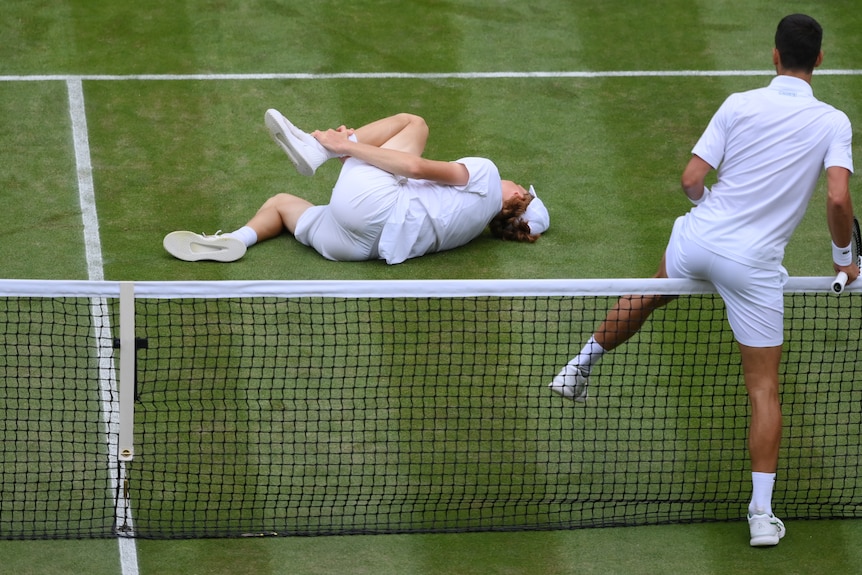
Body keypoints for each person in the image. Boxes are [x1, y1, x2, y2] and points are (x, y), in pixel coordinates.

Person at [549, 14, 855, 547]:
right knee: (763, 388)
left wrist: (712, 215)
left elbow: (692, 180)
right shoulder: (833, 122)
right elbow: (836, 198)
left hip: (698, 238)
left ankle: (577, 368)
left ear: (774, 56)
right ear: (820, 61)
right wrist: (844, 257)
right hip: (753, 265)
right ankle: (761, 516)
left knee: (652, 290)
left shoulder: (738, 104)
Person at [163, 110, 549, 264]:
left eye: (518, 184)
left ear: (516, 197)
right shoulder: (468, 231)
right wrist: (362, 156)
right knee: (282, 204)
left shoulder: (485, 173)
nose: (513, 179)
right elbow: (408, 179)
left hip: (372, 207)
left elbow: (413, 165)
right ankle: (236, 240)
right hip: (357, 248)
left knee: (414, 124)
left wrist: (346, 146)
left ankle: (316, 151)